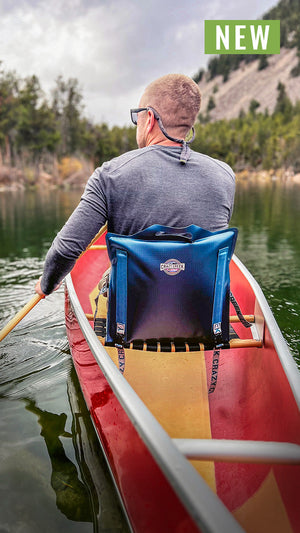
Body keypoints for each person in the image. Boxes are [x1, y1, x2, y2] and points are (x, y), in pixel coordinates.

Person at [35, 73, 235, 297]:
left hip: (132, 327)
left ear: (149, 118)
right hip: (205, 321)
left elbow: (65, 251)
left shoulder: (109, 175)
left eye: (137, 115)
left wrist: (47, 284)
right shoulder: (225, 175)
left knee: (105, 283)